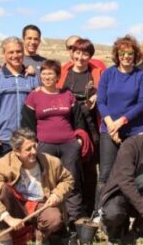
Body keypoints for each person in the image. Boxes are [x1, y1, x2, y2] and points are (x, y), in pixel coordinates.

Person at [21, 59, 89, 242]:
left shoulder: (67, 95)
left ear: (58, 76)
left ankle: (74, 223)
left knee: (72, 183)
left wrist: (78, 139)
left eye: (51, 73)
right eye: (43, 73)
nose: (47, 77)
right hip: (45, 146)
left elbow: (78, 119)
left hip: (68, 145)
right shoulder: (33, 97)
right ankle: (54, 225)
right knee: (47, 185)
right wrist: (32, 144)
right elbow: (27, 124)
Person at [0, 128, 74, 245]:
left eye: (35, 146)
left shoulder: (51, 162)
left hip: (40, 204)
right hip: (14, 206)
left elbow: (68, 179)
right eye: (28, 149)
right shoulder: (3, 164)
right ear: (16, 151)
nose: (34, 151)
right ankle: (6, 241)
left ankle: (40, 236)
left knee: (54, 218)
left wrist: (57, 194)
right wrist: (8, 219)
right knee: (2, 190)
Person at [99, 112, 143, 243]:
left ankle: (139, 230)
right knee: (113, 213)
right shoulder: (131, 146)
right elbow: (125, 182)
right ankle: (114, 233)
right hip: (119, 192)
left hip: (142, 192)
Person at [96, 35, 143, 203]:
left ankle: (131, 211)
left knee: (131, 173)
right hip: (109, 129)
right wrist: (111, 124)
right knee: (106, 173)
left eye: (130, 53)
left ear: (135, 55)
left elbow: (142, 103)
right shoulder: (108, 74)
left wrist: (121, 122)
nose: (126, 57)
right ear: (117, 55)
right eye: (122, 53)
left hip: (133, 131)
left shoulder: (140, 76)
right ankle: (100, 210)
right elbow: (101, 101)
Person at [57, 38, 103, 215]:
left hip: (91, 126)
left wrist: (97, 97)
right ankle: (70, 210)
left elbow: (104, 91)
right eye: (77, 52)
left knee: (90, 169)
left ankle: (89, 208)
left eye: (85, 53)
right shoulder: (63, 72)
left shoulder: (97, 73)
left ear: (90, 56)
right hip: (67, 125)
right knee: (69, 168)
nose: (80, 57)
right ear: (72, 53)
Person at [0, 37, 40, 167]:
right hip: (1, 141)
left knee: (27, 183)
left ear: (23, 53)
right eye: (10, 52)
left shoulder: (32, 77)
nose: (15, 55)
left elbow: (39, 106)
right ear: (4, 54)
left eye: (18, 51)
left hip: (27, 141)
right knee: (1, 183)